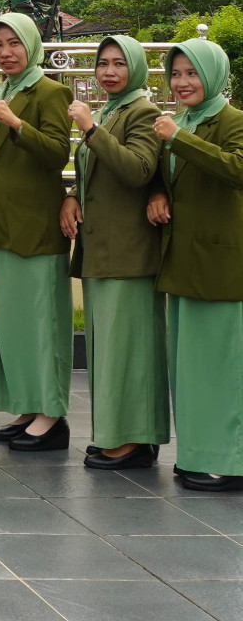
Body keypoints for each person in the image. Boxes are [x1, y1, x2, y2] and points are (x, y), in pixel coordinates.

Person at [60, 36, 165, 468]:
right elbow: (95, 170)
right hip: (100, 248)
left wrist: (90, 129)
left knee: (128, 350)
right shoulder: (110, 111)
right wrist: (71, 195)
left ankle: (133, 439)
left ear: (136, 67)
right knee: (108, 350)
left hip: (128, 251)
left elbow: (138, 169)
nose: (108, 72)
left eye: (119, 63)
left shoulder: (143, 112)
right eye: (102, 63)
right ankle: (115, 433)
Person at [149, 39, 243, 492]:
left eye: (192, 73)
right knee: (190, 369)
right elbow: (168, 175)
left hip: (220, 263)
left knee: (221, 367)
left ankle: (230, 462)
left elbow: (237, 169)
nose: (182, 82)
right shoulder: (181, 121)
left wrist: (179, 139)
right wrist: (157, 193)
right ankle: (199, 454)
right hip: (184, 259)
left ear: (214, 76)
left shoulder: (232, 120)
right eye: (176, 73)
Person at [0, 12, 74, 451]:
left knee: (43, 324)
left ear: (32, 45)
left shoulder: (51, 91)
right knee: (14, 324)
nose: (5, 52)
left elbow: (57, 153)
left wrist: (16, 123)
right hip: (2, 223)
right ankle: (28, 405)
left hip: (36, 226)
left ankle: (51, 415)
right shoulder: (3, 91)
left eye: (14, 43)